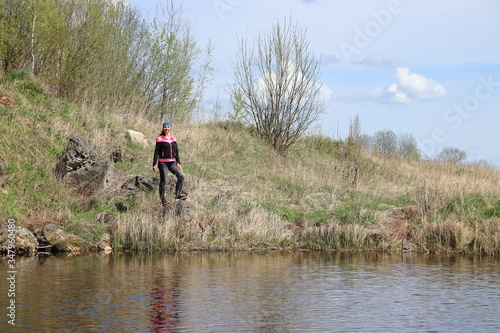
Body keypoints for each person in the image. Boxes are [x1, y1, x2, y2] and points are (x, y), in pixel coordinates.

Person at [153, 121, 186, 205]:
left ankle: (178, 195)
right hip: (163, 163)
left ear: (171, 128)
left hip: (172, 163)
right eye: (165, 127)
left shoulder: (173, 138)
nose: (166, 128)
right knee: (164, 180)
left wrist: (178, 162)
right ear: (163, 128)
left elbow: (176, 151)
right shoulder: (160, 138)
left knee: (181, 176)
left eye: (168, 127)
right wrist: (154, 163)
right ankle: (163, 199)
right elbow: (156, 152)